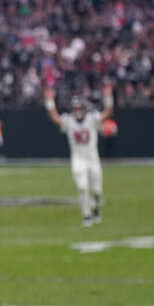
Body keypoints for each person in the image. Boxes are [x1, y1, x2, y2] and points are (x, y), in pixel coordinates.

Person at [44, 83, 113, 226]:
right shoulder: (69, 121)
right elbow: (55, 117)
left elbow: (107, 112)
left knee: (96, 190)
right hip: (78, 159)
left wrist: (108, 97)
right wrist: (49, 101)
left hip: (93, 159)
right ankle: (86, 216)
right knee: (82, 187)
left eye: (79, 108)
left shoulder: (92, 119)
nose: (78, 111)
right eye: (75, 108)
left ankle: (96, 209)